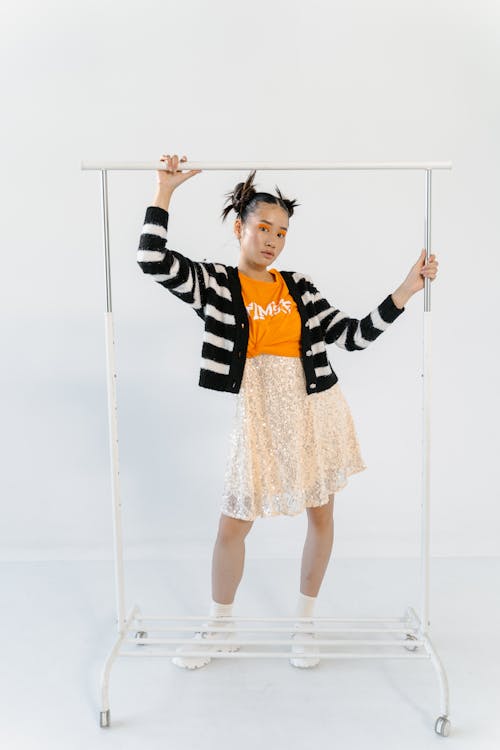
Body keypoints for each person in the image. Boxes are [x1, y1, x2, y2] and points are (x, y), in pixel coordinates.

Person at [137, 153, 439, 670]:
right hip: (258, 411)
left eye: (282, 231)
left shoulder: (298, 288)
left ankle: (305, 624)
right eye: (263, 227)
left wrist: (407, 289)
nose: (273, 239)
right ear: (240, 228)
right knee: (233, 523)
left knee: (321, 515)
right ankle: (220, 626)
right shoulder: (215, 284)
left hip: (314, 405)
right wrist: (165, 192)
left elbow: (351, 338)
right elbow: (152, 260)